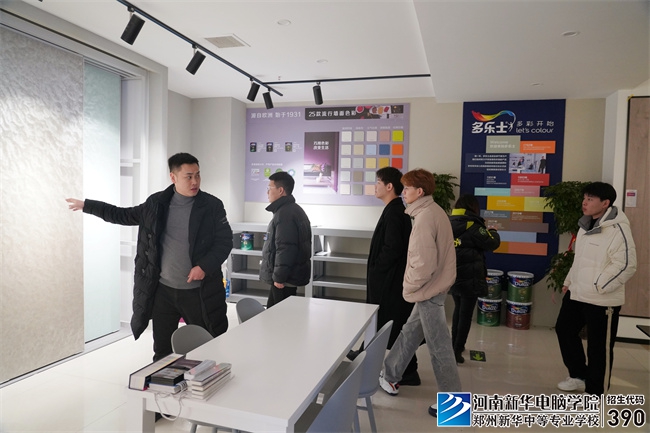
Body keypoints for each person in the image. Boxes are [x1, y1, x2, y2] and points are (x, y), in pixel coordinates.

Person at [66, 153, 232, 361]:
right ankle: (163, 381)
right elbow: (122, 215)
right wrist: (87, 205)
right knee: (162, 351)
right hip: (163, 292)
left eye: (197, 175)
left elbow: (224, 242)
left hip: (199, 293)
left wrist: (204, 267)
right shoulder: (156, 204)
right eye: (188, 176)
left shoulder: (212, 206)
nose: (195, 181)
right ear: (173, 177)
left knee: (206, 348)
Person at [379, 168, 461, 418]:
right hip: (432, 287)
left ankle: (454, 404)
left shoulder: (425, 218)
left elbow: (423, 264)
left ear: (420, 191)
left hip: (428, 289)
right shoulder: (432, 211)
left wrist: (409, 287)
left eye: (407, 189)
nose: (403, 193)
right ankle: (391, 374)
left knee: (439, 346)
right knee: (410, 332)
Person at [555, 181, 637, 395]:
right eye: (584, 198)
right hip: (577, 293)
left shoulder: (618, 229)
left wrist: (600, 285)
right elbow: (579, 260)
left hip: (602, 299)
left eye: (590, 199)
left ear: (605, 203)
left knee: (598, 347)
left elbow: (627, 264)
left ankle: (596, 391)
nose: (584, 202)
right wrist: (569, 281)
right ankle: (578, 376)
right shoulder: (585, 226)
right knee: (564, 330)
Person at [349, 167, 420, 385]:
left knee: (392, 322)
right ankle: (367, 353)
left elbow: (392, 248)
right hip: (389, 279)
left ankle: (408, 370)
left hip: (389, 280)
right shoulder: (394, 209)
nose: (375, 186)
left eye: (378, 182)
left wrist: (377, 269)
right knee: (386, 321)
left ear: (389, 186)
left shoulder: (395, 212)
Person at [449, 194, 500, 364]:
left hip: (453, 275)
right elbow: (492, 243)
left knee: (458, 310)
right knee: (465, 314)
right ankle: (457, 350)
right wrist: (493, 232)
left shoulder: (449, 222)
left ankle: (454, 345)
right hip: (470, 277)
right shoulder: (473, 225)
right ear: (473, 207)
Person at [259, 171, 312, 307]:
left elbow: (286, 248)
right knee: (278, 313)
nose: (267, 192)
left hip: (284, 280)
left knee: (277, 315)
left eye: (269, 188)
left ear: (280, 190)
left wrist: (279, 278)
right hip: (287, 278)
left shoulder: (285, 214)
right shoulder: (291, 210)